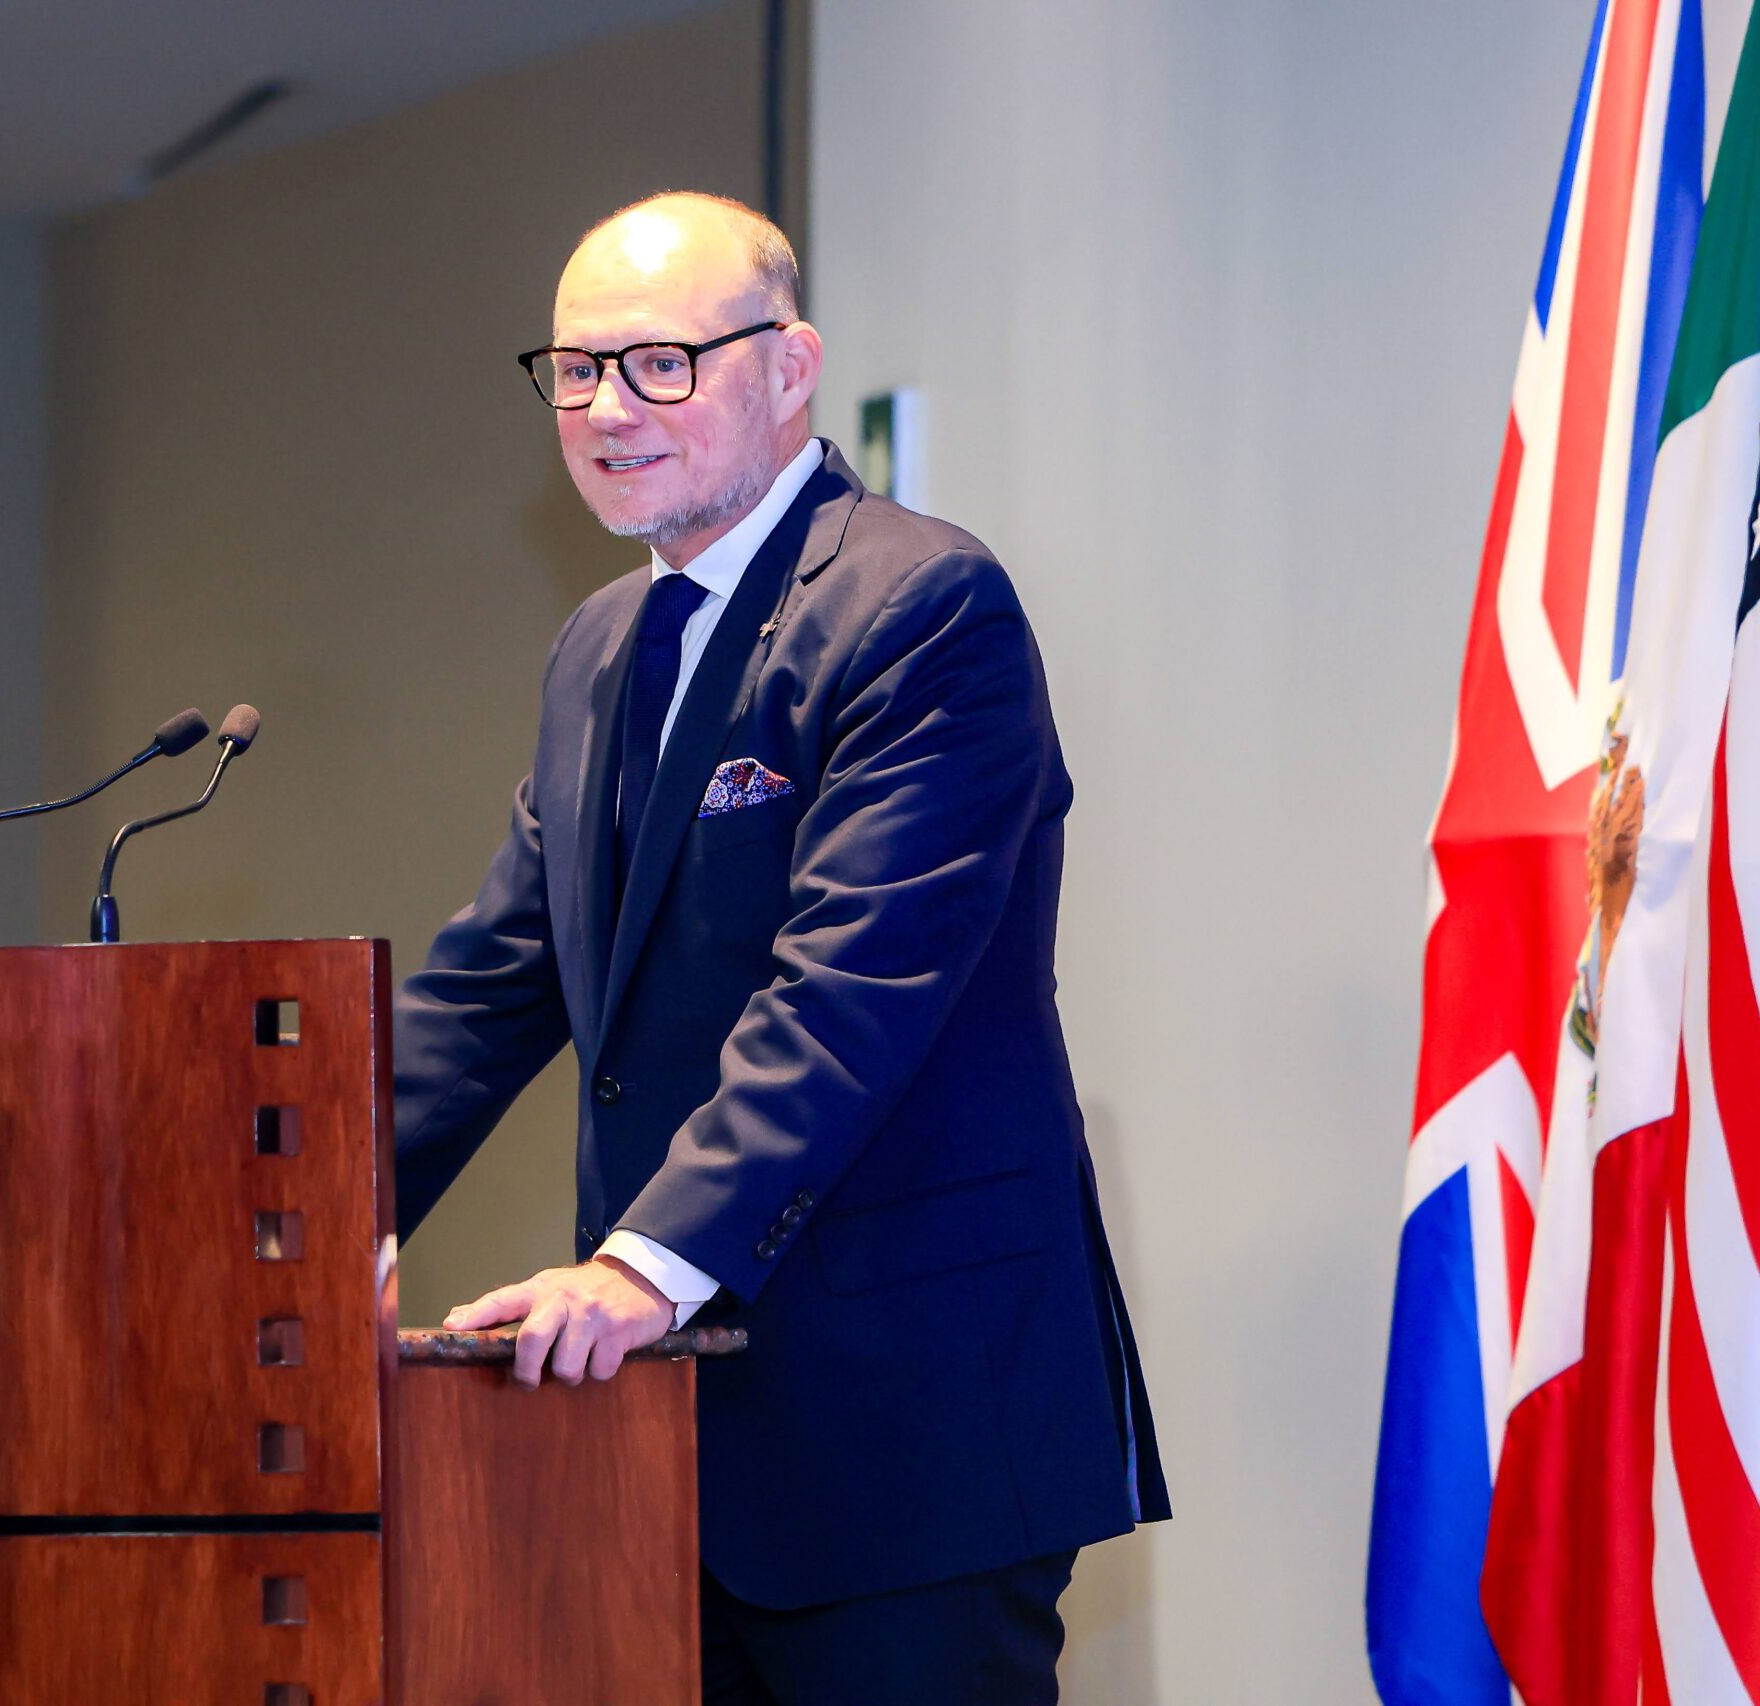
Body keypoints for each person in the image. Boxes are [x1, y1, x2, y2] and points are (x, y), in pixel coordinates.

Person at [390, 191, 1167, 1703]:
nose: (610, 408)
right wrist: (290, 1214)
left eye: (662, 364)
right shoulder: (600, 648)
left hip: (909, 1436)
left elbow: (847, 999)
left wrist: (633, 1269)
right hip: (667, 1449)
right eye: (576, 369)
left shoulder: (922, 607)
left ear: (792, 368)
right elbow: (491, 985)